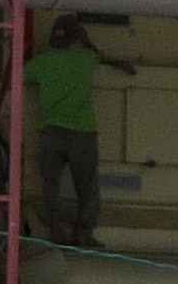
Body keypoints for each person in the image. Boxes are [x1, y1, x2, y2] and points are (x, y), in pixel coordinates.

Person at [24, 15, 134, 248]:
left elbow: (22, 76)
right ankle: (84, 233)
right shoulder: (85, 57)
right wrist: (86, 40)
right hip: (82, 133)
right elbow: (98, 54)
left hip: (51, 132)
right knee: (87, 185)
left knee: (50, 184)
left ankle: (55, 229)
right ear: (76, 37)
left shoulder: (41, 63)